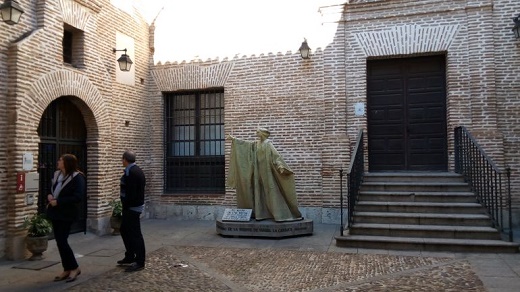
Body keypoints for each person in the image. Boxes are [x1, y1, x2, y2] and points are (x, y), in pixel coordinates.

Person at [226, 128, 303, 222]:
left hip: (267, 172)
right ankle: (261, 214)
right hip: (257, 172)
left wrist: (280, 166)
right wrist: (234, 139)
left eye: (258, 131)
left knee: (272, 192)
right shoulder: (257, 144)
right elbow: (246, 145)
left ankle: (281, 214)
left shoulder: (268, 144)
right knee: (259, 192)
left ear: (262, 133)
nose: (256, 133)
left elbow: (276, 156)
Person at [46, 154, 85, 282]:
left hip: (67, 214)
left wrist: (59, 201)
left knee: (62, 241)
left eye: (60, 160)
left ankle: (74, 268)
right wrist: (50, 195)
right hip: (55, 213)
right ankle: (67, 269)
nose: (58, 161)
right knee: (59, 241)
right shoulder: (57, 175)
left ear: (67, 163)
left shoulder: (77, 177)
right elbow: (51, 188)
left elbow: (78, 197)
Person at [117, 150, 146, 272]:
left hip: (132, 207)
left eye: (122, 159)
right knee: (124, 229)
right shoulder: (135, 170)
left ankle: (140, 261)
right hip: (131, 206)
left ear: (125, 160)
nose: (121, 161)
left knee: (135, 234)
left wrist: (127, 204)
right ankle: (130, 255)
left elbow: (132, 192)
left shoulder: (132, 172)